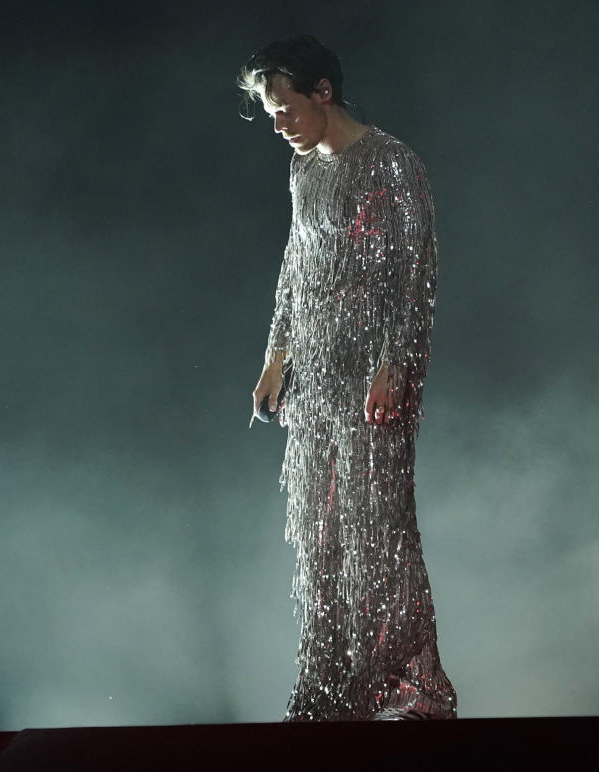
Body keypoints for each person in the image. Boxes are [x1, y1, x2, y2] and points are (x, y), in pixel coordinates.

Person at [240, 35, 457, 721]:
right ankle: (331, 689)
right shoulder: (305, 171)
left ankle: (404, 688)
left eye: (283, 107)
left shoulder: (391, 164)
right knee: (322, 532)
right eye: (270, 112)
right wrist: (277, 356)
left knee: (378, 527)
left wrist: (395, 360)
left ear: (321, 93)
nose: (277, 123)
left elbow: (416, 271)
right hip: (315, 374)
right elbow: (294, 266)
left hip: (373, 372)